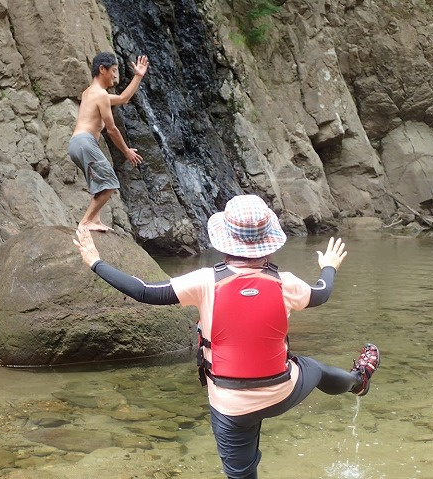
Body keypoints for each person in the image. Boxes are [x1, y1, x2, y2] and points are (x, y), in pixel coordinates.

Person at [73, 194, 380, 479]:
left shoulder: (204, 282)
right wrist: (329, 267)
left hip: (231, 406)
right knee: (316, 370)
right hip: (282, 391)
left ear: (224, 242)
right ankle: (359, 381)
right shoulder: (286, 283)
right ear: (269, 244)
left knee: (240, 475)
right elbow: (322, 292)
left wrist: (96, 262)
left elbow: (143, 291)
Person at [69, 52, 149, 231]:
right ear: (102, 69)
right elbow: (112, 129)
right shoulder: (101, 94)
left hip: (76, 144)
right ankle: (86, 222)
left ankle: (95, 219)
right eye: (113, 70)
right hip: (85, 142)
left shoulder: (89, 93)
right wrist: (126, 151)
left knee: (100, 184)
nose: (115, 75)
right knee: (110, 183)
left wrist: (138, 76)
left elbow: (123, 99)